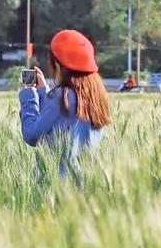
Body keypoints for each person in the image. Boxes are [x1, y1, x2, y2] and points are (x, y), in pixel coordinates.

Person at [19, 29, 111, 181]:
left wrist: (29, 96)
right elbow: (58, 119)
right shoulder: (97, 97)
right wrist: (43, 92)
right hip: (84, 187)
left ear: (56, 64)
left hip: (56, 188)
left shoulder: (61, 96)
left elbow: (32, 135)